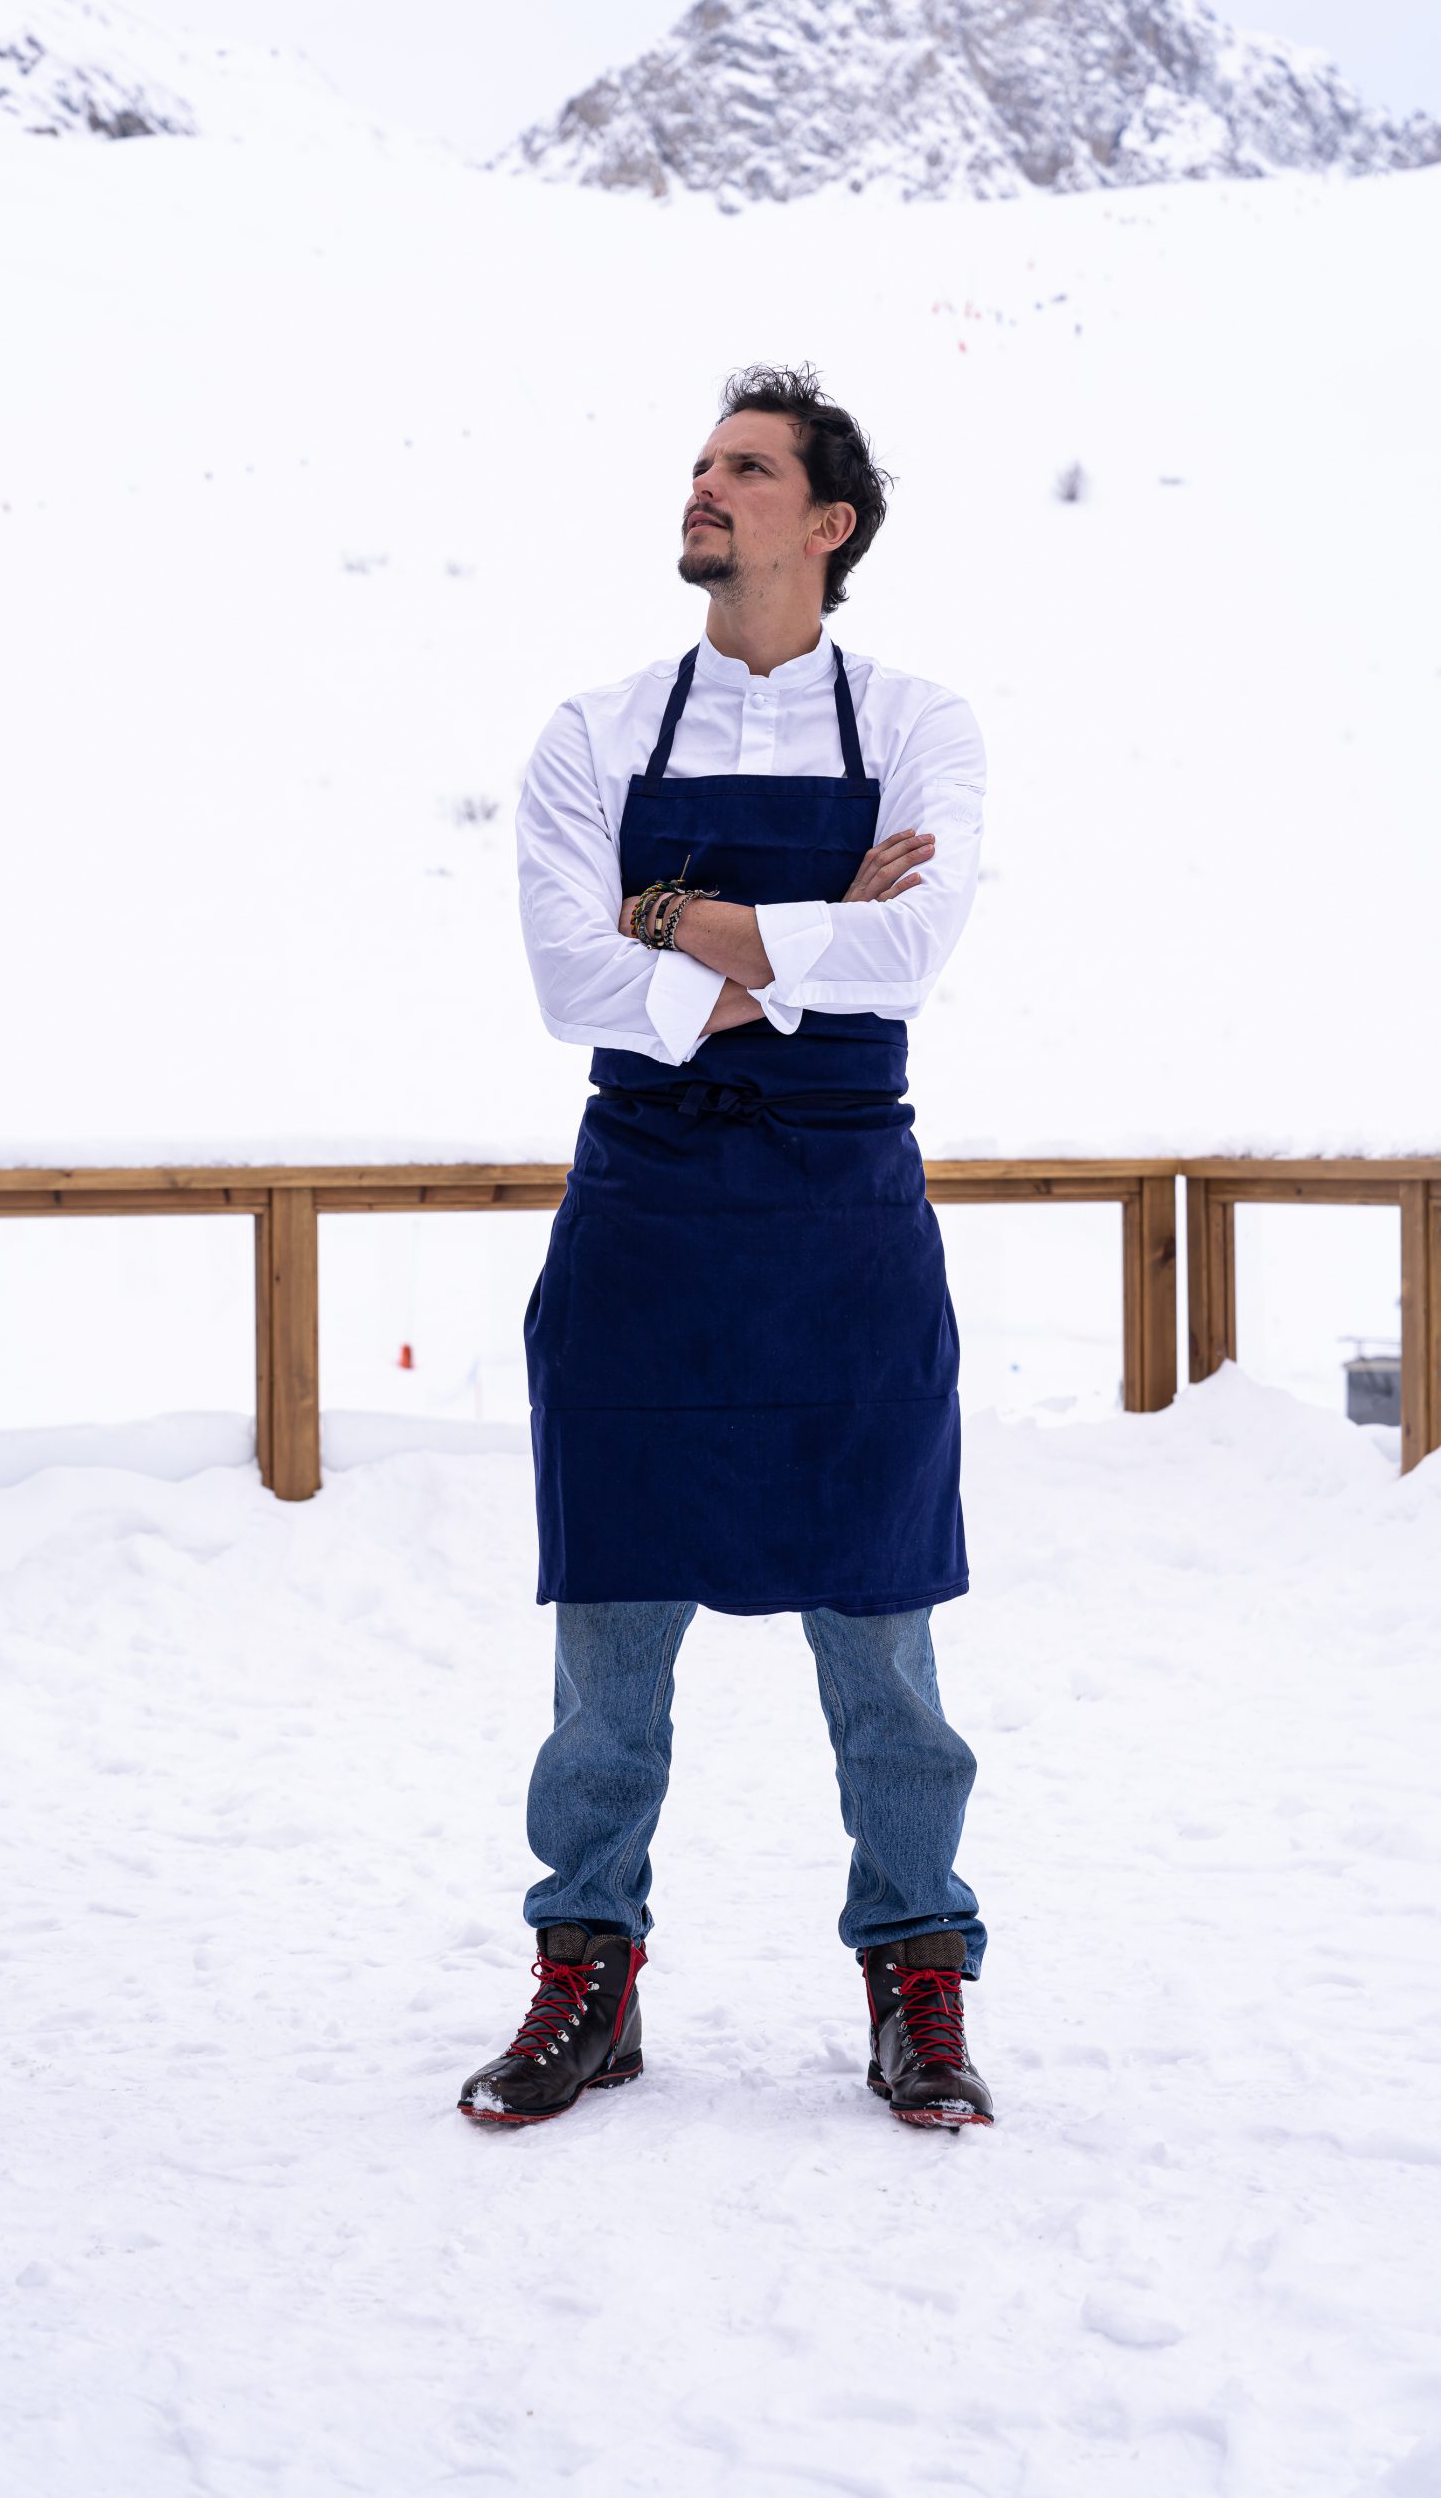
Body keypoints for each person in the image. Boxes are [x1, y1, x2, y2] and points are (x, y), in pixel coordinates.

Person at [458, 364, 992, 2131]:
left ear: (826, 526)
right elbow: (564, 983)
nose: (704, 489)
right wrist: (809, 935)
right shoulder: (592, 732)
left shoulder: (922, 724)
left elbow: (914, 961)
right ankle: (584, 1976)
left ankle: (918, 1977)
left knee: (886, 1646)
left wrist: (681, 921)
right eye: (698, 464)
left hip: (847, 1225)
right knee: (605, 1645)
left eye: (745, 470)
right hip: (648, 1223)